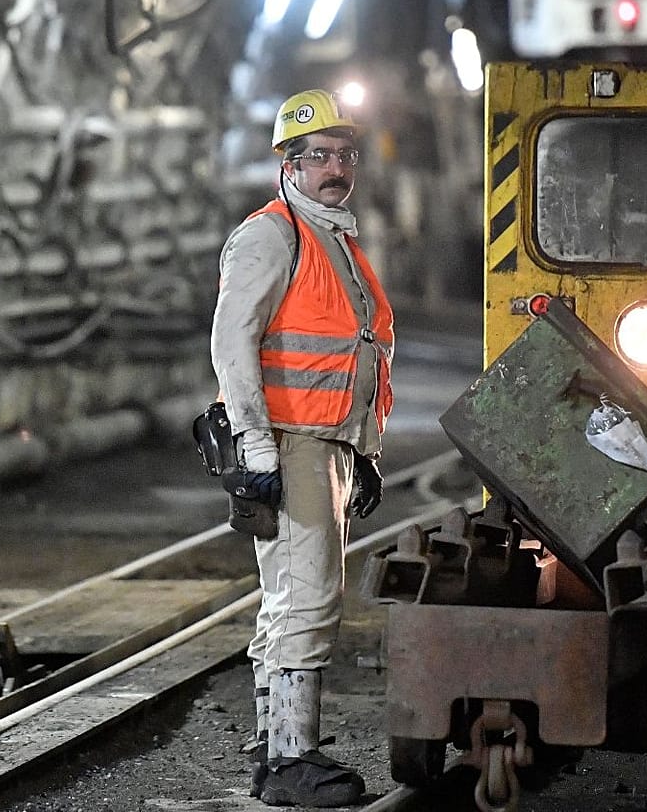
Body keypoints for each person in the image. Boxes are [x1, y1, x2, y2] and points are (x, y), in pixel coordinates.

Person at [210, 89, 395, 808]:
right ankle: (291, 761)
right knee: (309, 597)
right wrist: (256, 447)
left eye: (345, 155)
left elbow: (356, 353)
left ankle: (274, 746)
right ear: (289, 163)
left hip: (327, 444)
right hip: (287, 442)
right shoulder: (271, 235)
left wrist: (366, 450)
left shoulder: (335, 239)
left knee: (291, 595)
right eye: (319, 155)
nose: (336, 167)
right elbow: (234, 345)